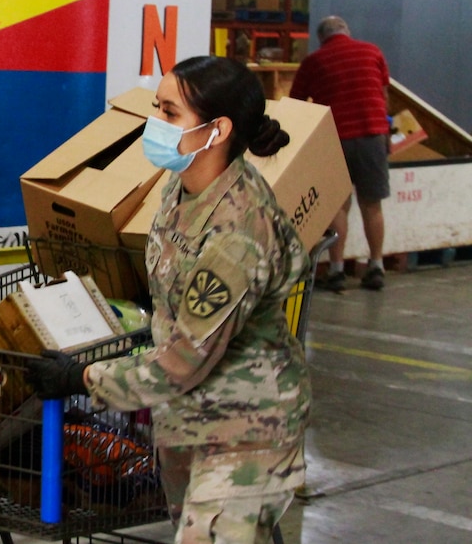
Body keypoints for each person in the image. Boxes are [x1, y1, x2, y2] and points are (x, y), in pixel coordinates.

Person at [27, 56, 310, 544]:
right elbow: (170, 295)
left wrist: (85, 377)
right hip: (185, 420)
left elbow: (183, 361)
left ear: (216, 130)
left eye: (170, 113)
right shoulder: (182, 189)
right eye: (157, 107)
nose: (155, 123)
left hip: (246, 426)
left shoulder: (238, 231)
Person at [289, 15, 390, 291]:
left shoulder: (314, 62)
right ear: (347, 31)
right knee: (372, 204)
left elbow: (296, 104)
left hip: (335, 140)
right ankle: (376, 266)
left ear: (321, 38)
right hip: (372, 136)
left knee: (337, 205)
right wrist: (383, 131)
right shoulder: (372, 51)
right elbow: (383, 96)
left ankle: (335, 271)